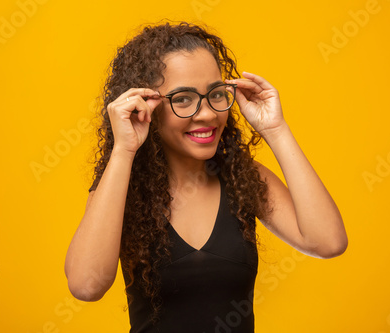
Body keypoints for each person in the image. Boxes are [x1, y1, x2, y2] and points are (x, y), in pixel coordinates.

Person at [64, 21, 347, 332]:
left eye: (216, 93)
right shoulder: (121, 189)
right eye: (183, 98)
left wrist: (275, 130)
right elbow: (86, 286)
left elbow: (328, 242)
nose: (208, 114)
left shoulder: (244, 178)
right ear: (146, 105)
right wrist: (124, 150)